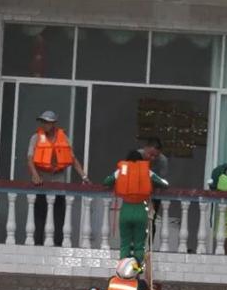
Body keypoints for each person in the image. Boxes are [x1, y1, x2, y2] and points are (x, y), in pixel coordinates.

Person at [27, 110, 88, 246]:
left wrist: (83, 176)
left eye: (47, 122)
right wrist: (35, 175)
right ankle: (38, 243)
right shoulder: (35, 138)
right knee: (40, 213)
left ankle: (58, 243)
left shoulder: (63, 138)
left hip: (58, 180)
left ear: (53, 123)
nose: (43, 125)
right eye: (42, 122)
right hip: (42, 180)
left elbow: (72, 159)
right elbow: (30, 159)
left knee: (59, 215)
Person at [103, 150, 169, 263]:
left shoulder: (121, 170)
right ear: (141, 161)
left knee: (125, 244)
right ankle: (136, 271)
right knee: (139, 245)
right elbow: (164, 184)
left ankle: (124, 273)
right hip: (140, 210)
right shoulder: (146, 171)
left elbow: (106, 181)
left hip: (126, 210)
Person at [138, 137, 168, 236]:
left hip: (153, 196)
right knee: (136, 220)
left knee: (151, 221)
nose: (153, 158)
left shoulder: (163, 160)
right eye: (150, 154)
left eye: (156, 155)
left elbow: (162, 181)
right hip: (136, 194)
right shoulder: (137, 156)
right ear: (145, 148)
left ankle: (149, 246)